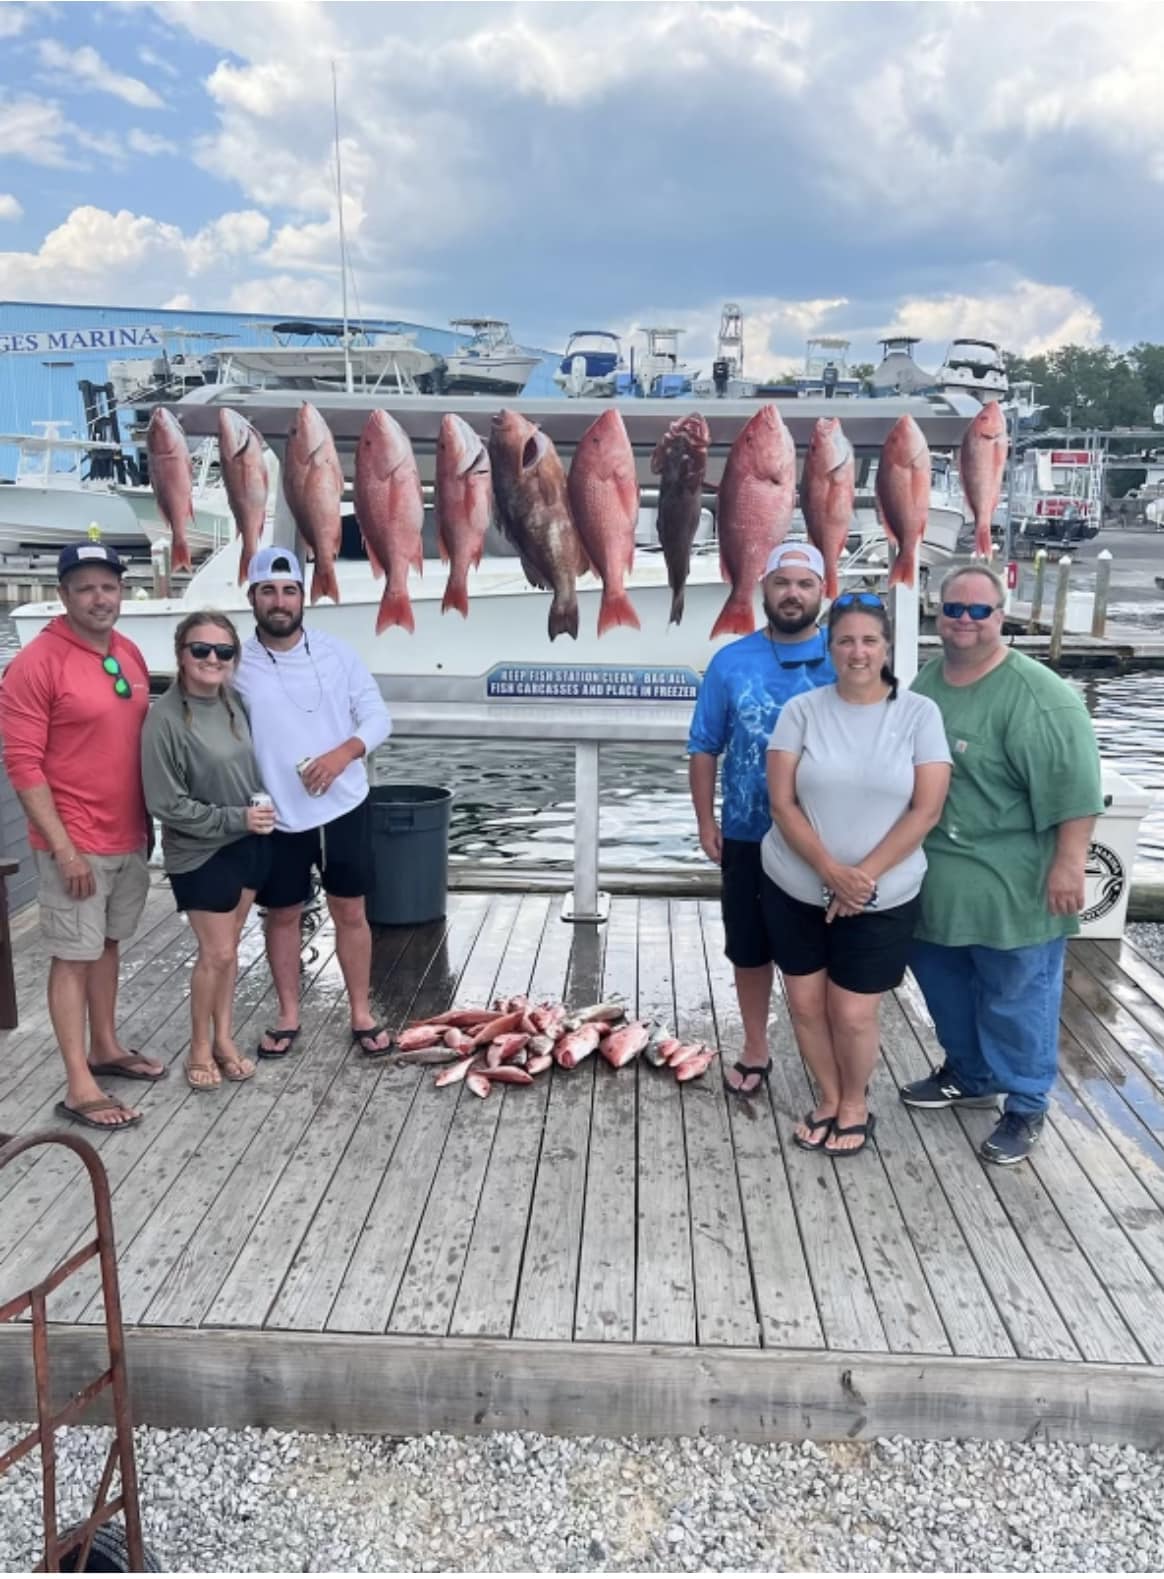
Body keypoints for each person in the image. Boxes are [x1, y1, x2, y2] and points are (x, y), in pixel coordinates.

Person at [902, 564, 1104, 1165]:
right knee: (945, 989)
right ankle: (969, 1074)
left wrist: (1070, 865)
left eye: (978, 610)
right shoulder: (928, 683)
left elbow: (1077, 792)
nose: (964, 620)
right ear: (939, 615)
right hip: (936, 886)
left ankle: (1025, 1102)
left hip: (1014, 889)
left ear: (1002, 617)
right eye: (953, 609)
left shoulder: (1042, 699)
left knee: (1017, 997)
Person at [763, 594, 951, 1154]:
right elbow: (782, 803)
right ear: (830, 647)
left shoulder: (919, 714)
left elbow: (927, 809)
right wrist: (828, 870)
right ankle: (827, 1096)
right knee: (804, 1003)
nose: (857, 651)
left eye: (869, 640)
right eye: (845, 640)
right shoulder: (802, 711)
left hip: (883, 893)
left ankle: (855, 1102)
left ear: (887, 647)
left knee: (850, 1011)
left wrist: (860, 878)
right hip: (795, 884)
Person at [0, 543, 160, 1130]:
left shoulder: (128, 652)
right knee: (72, 956)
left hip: (130, 836)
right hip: (75, 842)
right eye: (86, 587)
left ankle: (106, 1047)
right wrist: (64, 848)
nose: (100, 598)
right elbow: (22, 765)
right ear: (64, 594)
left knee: (108, 945)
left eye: (109, 587)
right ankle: (78, 1082)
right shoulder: (37, 662)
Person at [687, 542, 836, 1095]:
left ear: (823, 592)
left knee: (827, 953)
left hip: (829, 840)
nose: (792, 594)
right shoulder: (731, 661)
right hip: (749, 833)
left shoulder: (848, 658)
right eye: (782, 583)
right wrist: (707, 823)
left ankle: (834, 1051)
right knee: (749, 948)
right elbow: (704, 748)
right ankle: (755, 1046)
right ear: (763, 590)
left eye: (805, 584)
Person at [233, 546, 393, 1058]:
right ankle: (288, 1014)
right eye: (268, 591)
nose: (279, 601)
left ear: (302, 597)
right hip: (275, 814)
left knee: (351, 910)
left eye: (289, 591)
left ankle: (361, 1012)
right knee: (281, 914)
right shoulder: (234, 661)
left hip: (344, 805)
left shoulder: (337, 652)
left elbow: (377, 719)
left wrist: (343, 753)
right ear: (253, 597)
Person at [141, 611, 275, 1091]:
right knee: (214, 952)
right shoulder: (165, 719)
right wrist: (234, 818)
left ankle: (224, 1038)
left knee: (229, 951)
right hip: (200, 852)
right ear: (181, 654)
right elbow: (165, 803)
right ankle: (199, 1048)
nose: (212, 659)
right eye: (201, 649)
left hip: (249, 843)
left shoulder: (234, 702)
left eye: (224, 651)